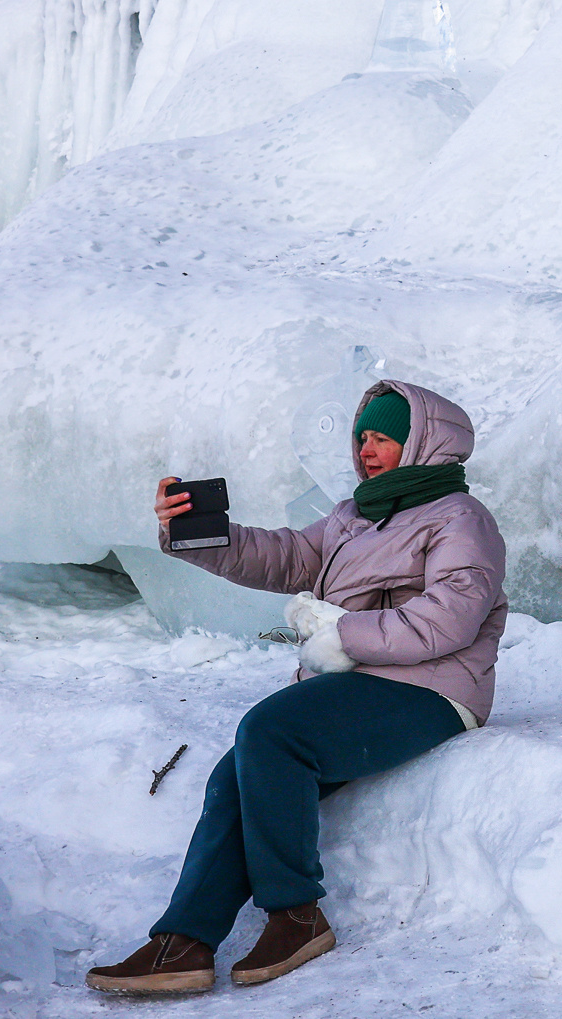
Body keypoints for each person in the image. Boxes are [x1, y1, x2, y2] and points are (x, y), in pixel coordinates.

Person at [86, 381, 507, 994]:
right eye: (362, 436)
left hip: (432, 690)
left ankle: (295, 913)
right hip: (357, 682)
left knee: (271, 730)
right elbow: (286, 558)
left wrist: (344, 635)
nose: (367, 448)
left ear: (423, 444)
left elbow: (449, 619)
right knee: (235, 772)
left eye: (384, 437)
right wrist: (198, 530)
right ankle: (183, 942)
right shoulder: (355, 514)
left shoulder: (462, 520)